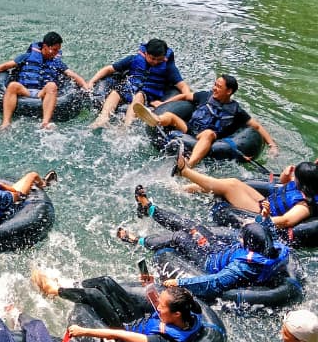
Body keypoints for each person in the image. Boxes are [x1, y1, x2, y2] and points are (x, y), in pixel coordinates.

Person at [114, 187, 290, 302]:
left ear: (249, 245)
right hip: (219, 249)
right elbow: (269, 232)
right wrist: (263, 218)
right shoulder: (274, 248)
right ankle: (150, 208)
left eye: (243, 237)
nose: (240, 236)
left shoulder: (244, 266)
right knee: (194, 226)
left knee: (180, 237)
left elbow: (214, 282)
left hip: (209, 261)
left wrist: (180, 282)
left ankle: (136, 240)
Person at [32, 269, 204, 342]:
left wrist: (84, 330)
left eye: (162, 306)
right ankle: (74, 288)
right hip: (137, 318)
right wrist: (148, 283)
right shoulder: (190, 312)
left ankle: (54, 291)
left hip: (123, 326)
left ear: (176, 314)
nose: (158, 306)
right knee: (106, 281)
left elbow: (120, 335)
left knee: (94, 295)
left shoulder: (165, 338)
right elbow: (156, 303)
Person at [133, 73, 278, 166]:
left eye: (218, 86)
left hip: (209, 139)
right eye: (215, 84)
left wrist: (272, 145)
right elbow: (185, 96)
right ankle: (155, 119)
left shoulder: (237, 111)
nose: (214, 88)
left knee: (208, 133)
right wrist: (164, 104)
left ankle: (189, 166)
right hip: (189, 129)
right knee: (170, 116)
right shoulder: (204, 96)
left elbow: (256, 127)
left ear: (229, 91)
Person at [172, 154, 318, 232]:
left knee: (230, 187)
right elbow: (284, 186)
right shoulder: (301, 185)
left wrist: (260, 220)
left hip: (263, 214)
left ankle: (184, 171)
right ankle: (184, 188)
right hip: (265, 202)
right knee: (234, 182)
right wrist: (286, 175)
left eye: (296, 176)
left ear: (303, 181)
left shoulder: (304, 206)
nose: (294, 178)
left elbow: (286, 221)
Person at [0, 32, 89, 131]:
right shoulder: (27, 57)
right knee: (13, 85)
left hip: (42, 93)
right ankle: (6, 123)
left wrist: (85, 86)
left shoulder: (57, 63)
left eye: (58, 50)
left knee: (51, 85)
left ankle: (45, 123)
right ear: (45, 46)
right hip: (25, 91)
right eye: (54, 49)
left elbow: (73, 75)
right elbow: (4, 66)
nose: (56, 53)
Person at [88, 38, 192, 129]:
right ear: (146, 53)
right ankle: (103, 118)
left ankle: (126, 126)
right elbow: (109, 69)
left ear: (164, 57)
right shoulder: (133, 59)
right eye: (152, 58)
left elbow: (182, 85)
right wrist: (92, 81)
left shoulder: (169, 68)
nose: (155, 62)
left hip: (149, 93)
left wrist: (187, 98)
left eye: (159, 60)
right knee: (116, 92)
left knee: (139, 95)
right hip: (131, 87)